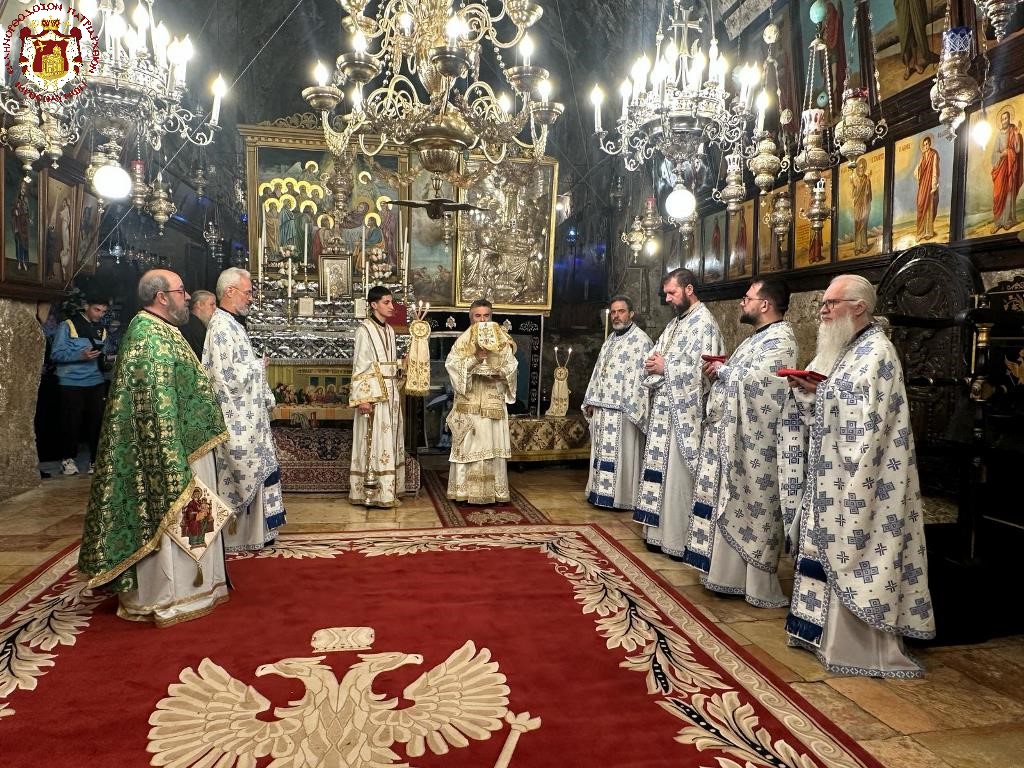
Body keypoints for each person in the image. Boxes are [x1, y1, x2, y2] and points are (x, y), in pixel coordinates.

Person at [781, 274, 935, 676]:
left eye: (831, 303)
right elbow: (830, 403)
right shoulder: (843, 349)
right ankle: (815, 635)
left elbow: (872, 421)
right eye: (823, 303)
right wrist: (809, 390)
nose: (823, 310)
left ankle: (853, 647)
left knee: (855, 548)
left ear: (859, 307)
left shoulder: (878, 353)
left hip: (863, 477)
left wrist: (823, 393)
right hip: (829, 473)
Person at [79, 269, 231, 627]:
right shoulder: (147, 336)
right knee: (174, 517)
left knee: (197, 518)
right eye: (181, 291)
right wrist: (170, 457)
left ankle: (198, 587)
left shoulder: (164, 330)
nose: (187, 297)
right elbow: (153, 407)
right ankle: (172, 595)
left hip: (188, 447)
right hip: (170, 452)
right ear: (162, 297)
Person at [682, 279, 798, 607]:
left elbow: (765, 388)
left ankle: (752, 582)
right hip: (732, 437)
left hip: (754, 445)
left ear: (765, 304)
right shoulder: (756, 338)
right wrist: (720, 371)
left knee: (751, 506)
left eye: (747, 298)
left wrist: (724, 372)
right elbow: (740, 376)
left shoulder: (781, 340)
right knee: (726, 501)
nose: (742, 302)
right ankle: (724, 575)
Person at [633, 269, 724, 559]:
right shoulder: (675, 323)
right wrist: (654, 365)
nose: (669, 299)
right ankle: (656, 533)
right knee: (660, 473)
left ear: (689, 289)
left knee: (677, 477)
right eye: (666, 294)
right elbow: (654, 356)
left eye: (672, 293)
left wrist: (666, 368)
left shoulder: (704, 323)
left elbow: (706, 373)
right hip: (665, 412)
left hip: (684, 415)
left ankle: (675, 539)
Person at [203, 267, 286, 551]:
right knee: (240, 471)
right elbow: (224, 377)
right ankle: (240, 536)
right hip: (236, 418)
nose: (251, 298)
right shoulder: (220, 327)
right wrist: (257, 366)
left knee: (261, 466)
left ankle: (259, 532)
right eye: (248, 292)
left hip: (248, 416)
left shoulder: (232, 324)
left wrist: (256, 372)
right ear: (230, 291)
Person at [582, 295, 653, 510]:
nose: (616, 316)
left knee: (622, 456)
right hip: (603, 410)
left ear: (631, 314)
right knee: (602, 454)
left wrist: (632, 406)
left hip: (625, 412)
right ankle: (599, 493)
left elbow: (642, 379)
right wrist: (592, 399)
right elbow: (599, 372)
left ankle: (622, 498)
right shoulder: (610, 340)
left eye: (621, 311)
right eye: (613, 312)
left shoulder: (641, 341)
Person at [446, 299, 518, 504]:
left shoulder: (502, 340)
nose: (482, 320)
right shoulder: (462, 341)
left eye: (486, 315)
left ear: (491, 316)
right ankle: (464, 493)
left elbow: (512, 365)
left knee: (492, 447)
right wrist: (475, 359)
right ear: (471, 317)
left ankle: (495, 493)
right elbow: (452, 366)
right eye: (478, 316)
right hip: (469, 405)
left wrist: (501, 374)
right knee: (468, 447)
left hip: (492, 402)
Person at [349, 285, 406, 508]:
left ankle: (389, 491)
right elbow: (361, 365)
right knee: (373, 442)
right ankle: (371, 492)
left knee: (389, 440)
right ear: (374, 305)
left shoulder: (390, 330)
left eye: (392, 302)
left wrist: (402, 365)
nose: (392, 307)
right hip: (374, 395)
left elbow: (388, 364)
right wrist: (363, 398)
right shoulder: (364, 330)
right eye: (386, 302)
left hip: (391, 394)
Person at [50, 296, 109, 475]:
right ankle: (67, 459)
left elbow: (103, 356)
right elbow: (55, 354)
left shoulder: (102, 329)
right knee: (71, 422)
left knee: (96, 423)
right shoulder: (67, 326)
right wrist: (79, 356)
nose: (100, 315)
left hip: (96, 381)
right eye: (97, 310)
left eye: (104, 311)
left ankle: (95, 461)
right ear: (86, 306)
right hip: (71, 382)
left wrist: (109, 360)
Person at [991, 110, 1023, 233]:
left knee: (1009, 192)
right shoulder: (998, 135)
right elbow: (994, 153)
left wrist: (1017, 135)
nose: (1004, 121)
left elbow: (1018, 150)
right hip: (1001, 167)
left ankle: (1008, 221)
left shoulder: (1013, 131)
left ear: (1009, 119)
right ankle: (998, 222)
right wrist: (1001, 154)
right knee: (998, 194)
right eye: (1003, 119)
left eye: (1006, 118)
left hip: (1010, 166)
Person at [895, 0, 938, 80]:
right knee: (905, 37)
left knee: (914, 33)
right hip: (901, 4)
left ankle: (915, 63)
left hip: (914, 2)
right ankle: (907, 67)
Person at [914, 135, 939, 240]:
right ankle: (920, 232)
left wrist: (934, 184)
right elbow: (917, 171)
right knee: (920, 204)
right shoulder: (923, 156)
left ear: (930, 144)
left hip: (929, 183)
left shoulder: (934, 154)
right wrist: (920, 164)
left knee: (929, 206)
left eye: (927, 144)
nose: (926, 146)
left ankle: (928, 232)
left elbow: (935, 169)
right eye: (924, 145)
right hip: (923, 184)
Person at [181, 289, 217, 360]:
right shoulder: (194, 327)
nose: (215, 308)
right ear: (199, 305)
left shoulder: (193, 323)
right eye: (212, 304)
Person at [851, 157, 873, 255]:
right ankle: (857, 247)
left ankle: (864, 246)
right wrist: (856, 185)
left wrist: (867, 181)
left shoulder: (866, 179)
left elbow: (868, 193)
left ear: (864, 168)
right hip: (857, 205)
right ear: (857, 169)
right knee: (857, 225)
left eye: (862, 168)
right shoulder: (855, 180)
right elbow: (853, 194)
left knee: (864, 225)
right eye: (859, 168)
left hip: (865, 205)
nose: (861, 169)